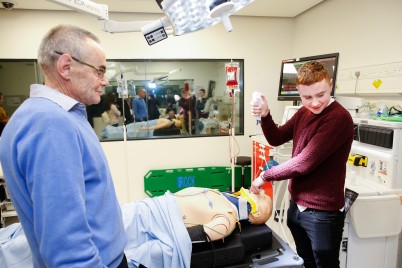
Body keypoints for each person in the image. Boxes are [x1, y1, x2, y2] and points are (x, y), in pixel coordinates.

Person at [0, 25, 127, 268]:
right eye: (99, 70)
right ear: (66, 66)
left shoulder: (50, 116)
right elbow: (67, 246)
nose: (105, 80)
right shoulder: (50, 124)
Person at [0, 187, 273, 268]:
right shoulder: (219, 194)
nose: (252, 188)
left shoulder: (227, 217)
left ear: (255, 210)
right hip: (144, 209)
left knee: (80, 235)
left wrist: (157, 243)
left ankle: (12, 255)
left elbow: (197, 236)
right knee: (83, 224)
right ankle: (15, 242)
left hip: (149, 224)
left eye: (257, 194)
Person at [250, 61, 354, 268]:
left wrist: (264, 176)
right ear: (298, 92)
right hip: (297, 206)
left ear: (330, 85)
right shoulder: (303, 113)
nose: (315, 103)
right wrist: (265, 115)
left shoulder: (338, 118)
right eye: (307, 97)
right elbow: (276, 138)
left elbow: (304, 162)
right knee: (305, 262)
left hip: (322, 214)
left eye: (321, 94)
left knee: (325, 264)